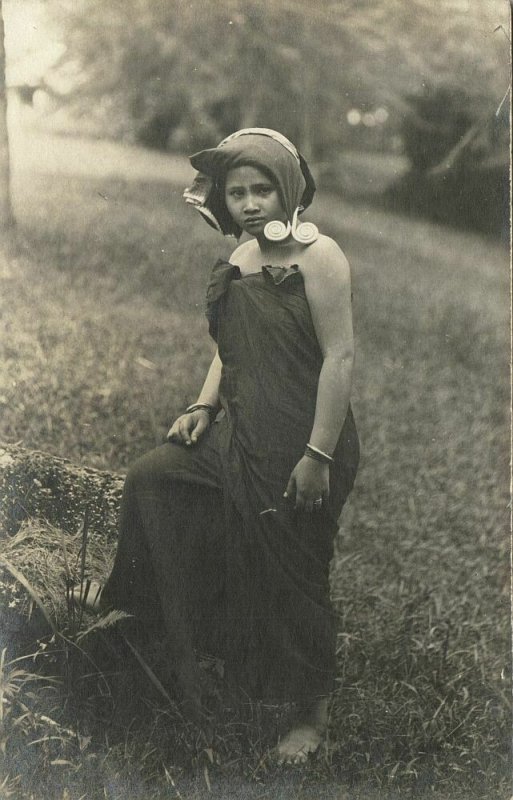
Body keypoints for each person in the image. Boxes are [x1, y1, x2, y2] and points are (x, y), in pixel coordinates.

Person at [75, 128, 359, 764]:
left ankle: (310, 715)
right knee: (156, 476)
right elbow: (227, 348)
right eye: (238, 193)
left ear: (288, 192)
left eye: (263, 190)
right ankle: (140, 612)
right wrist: (204, 406)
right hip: (241, 428)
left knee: (292, 561)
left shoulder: (321, 258)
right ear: (223, 202)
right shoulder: (238, 263)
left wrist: (318, 456)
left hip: (303, 435)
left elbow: (339, 358)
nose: (252, 203)